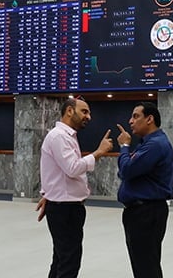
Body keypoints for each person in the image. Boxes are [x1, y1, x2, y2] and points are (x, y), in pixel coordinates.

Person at [35, 96, 114, 278]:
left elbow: (58, 172)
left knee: (62, 258)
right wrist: (99, 152)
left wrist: (49, 194)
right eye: (84, 111)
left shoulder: (66, 136)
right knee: (69, 261)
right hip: (65, 210)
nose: (89, 117)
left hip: (64, 206)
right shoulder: (59, 137)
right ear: (70, 111)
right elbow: (72, 169)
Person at [116, 101, 173, 278]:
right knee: (144, 264)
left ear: (150, 119)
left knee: (146, 267)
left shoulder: (155, 145)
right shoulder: (148, 144)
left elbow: (126, 170)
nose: (130, 121)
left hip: (146, 213)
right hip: (143, 212)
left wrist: (124, 146)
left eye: (136, 116)